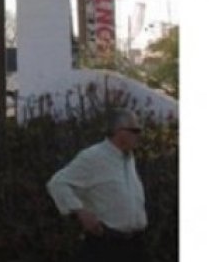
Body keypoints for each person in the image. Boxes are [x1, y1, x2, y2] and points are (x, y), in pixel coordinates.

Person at [46, 109, 148, 262]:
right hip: (106, 245)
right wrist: (80, 211)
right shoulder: (93, 157)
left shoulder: (128, 159)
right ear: (119, 131)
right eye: (135, 130)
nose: (139, 135)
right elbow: (57, 183)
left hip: (134, 245)